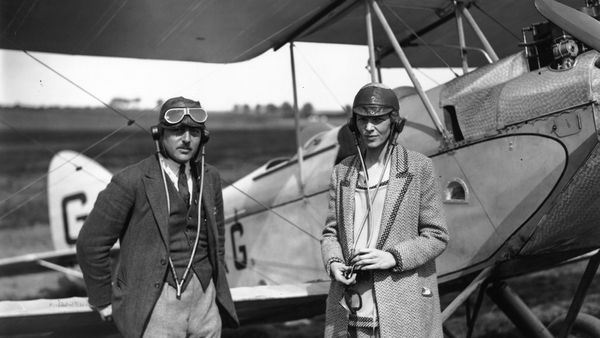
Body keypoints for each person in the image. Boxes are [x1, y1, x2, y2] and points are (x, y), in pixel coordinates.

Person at [77, 97, 239, 338]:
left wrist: (211, 286)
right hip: (156, 303)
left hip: (205, 301)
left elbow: (217, 235)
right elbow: (90, 243)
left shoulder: (210, 177)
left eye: (194, 132)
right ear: (159, 134)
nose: (186, 139)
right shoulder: (131, 181)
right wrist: (102, 301)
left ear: (203, 137)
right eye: (177, 131)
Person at [321, 83, 449, 338]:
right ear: (353, 123)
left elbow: (437, 235)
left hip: (401, 304)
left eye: (378, 119)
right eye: (362, 119)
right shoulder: (342, 172)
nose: (369, 128)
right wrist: (333, 262)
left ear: (394, 123)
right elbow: (330, 234)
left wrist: (393, 257)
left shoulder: (418, 167)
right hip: (352, 306)